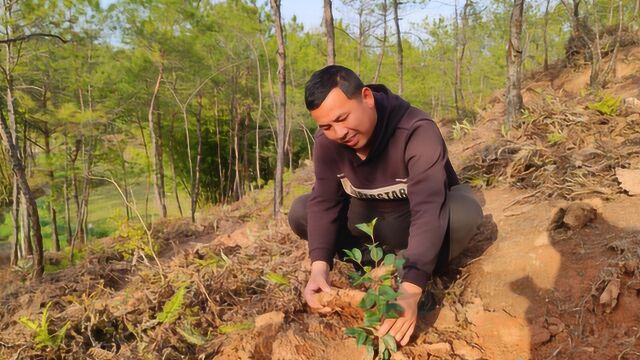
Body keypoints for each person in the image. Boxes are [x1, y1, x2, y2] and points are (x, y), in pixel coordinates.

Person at [288, 65, 483, 346]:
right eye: (327, 126)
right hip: (369, 218)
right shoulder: (327, 143)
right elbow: (325, 202)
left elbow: (429, 209)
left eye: (342, 118)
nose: (339, 132)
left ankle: (410, 270)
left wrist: (412, 289)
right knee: (301, 211)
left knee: (464, 213)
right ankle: (372, 268)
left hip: (420, 219)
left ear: (366, 97)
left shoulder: (416, 131)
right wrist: (319, 268)